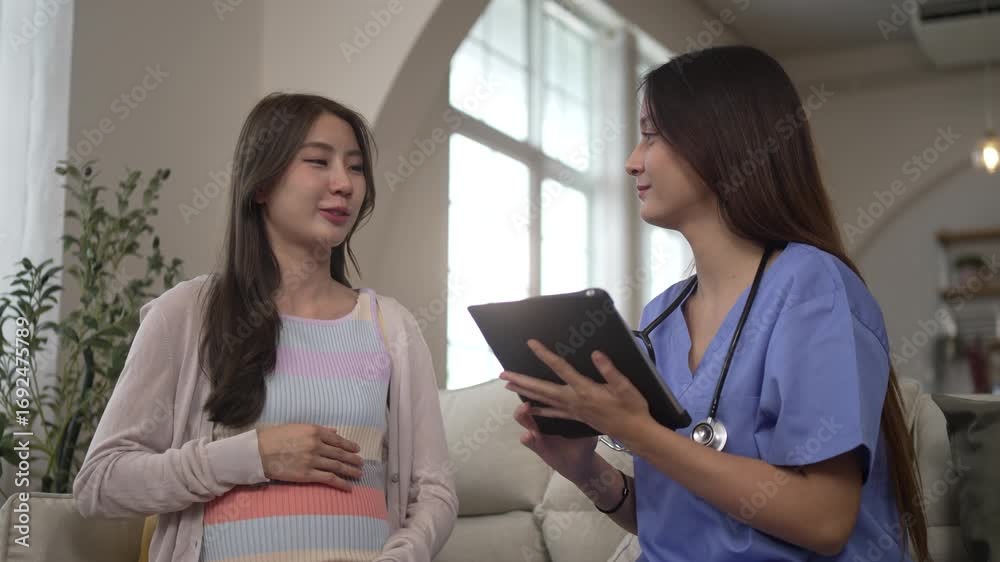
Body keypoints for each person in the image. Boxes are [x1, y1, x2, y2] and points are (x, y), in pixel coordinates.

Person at [499, 46, 929, 562]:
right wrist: (587, 471)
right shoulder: (660, 317)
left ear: (719, 141)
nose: (633, 161)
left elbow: (825, 519)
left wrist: (638, 432)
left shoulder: (811, 287)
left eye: (651, 135)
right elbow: (685, 521)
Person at [74, 93, 458, 562]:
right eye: (318, 161)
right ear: (260, 184)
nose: (344, 184)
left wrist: (403, 556)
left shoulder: (391, 327)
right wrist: (254, 455)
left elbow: (434, 491)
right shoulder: (187, 313)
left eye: (356, 167)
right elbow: (100, 483)